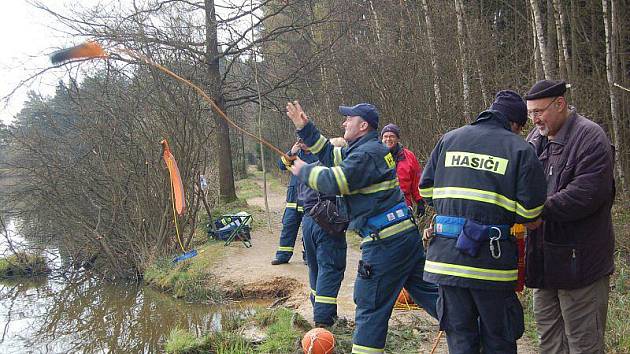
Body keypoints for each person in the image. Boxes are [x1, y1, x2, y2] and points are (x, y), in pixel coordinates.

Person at [285, 101, 438, 354]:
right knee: (429, 293)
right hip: (403, 239)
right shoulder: (367, 149)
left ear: (363, 125)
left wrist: (300, 168)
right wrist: (304, 127)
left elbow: (334, 181)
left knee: (370, 308)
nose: (344, 123)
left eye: (349, 119)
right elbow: (329, 154)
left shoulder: (366, 155)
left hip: (385, 244)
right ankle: (472, 330)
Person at [419, 90, 547, 354]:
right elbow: (530, 212)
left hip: (446, 259)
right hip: (491, 265)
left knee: (461, 340)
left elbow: (426, 191)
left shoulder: (449, 139)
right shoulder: (519, 148)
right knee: (498, 340)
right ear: (515, 124)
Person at [524, 80, 615, 354]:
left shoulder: (590, 137)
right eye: (530, 113)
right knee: (549, 340)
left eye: (539, 111)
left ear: (560, 104)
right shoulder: (534, 141)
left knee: (583, 343)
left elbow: (585, 194)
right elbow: (520, 183)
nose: (535, 119)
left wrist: (539, 212)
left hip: (581, 263)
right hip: (543, 262)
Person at [300, 137, 348, 327]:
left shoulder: (312, 169)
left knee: (315, 269)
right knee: (330, 270)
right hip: (327, 226)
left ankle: (322, 312)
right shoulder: (337, 171)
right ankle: (323, 322)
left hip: (308, 223)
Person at [271, 139, 317, 265]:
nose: (302, 143)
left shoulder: (318, 153)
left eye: (304, 139)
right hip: (293, 200)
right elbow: (281, 165)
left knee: (308, 230)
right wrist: (291, 152)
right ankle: (282, 256)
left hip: (309, 200)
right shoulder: (294, 154)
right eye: (300, 140)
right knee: (288, 227)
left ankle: (309, 256)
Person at [381, 123, 425, 216]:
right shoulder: (376, 155)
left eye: (392, 136)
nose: (388, 139)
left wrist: (419, 200)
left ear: (397, 138)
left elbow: (416, 179)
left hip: (404, 203)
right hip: (382, 204)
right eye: (385, 136)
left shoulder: (409, 156)